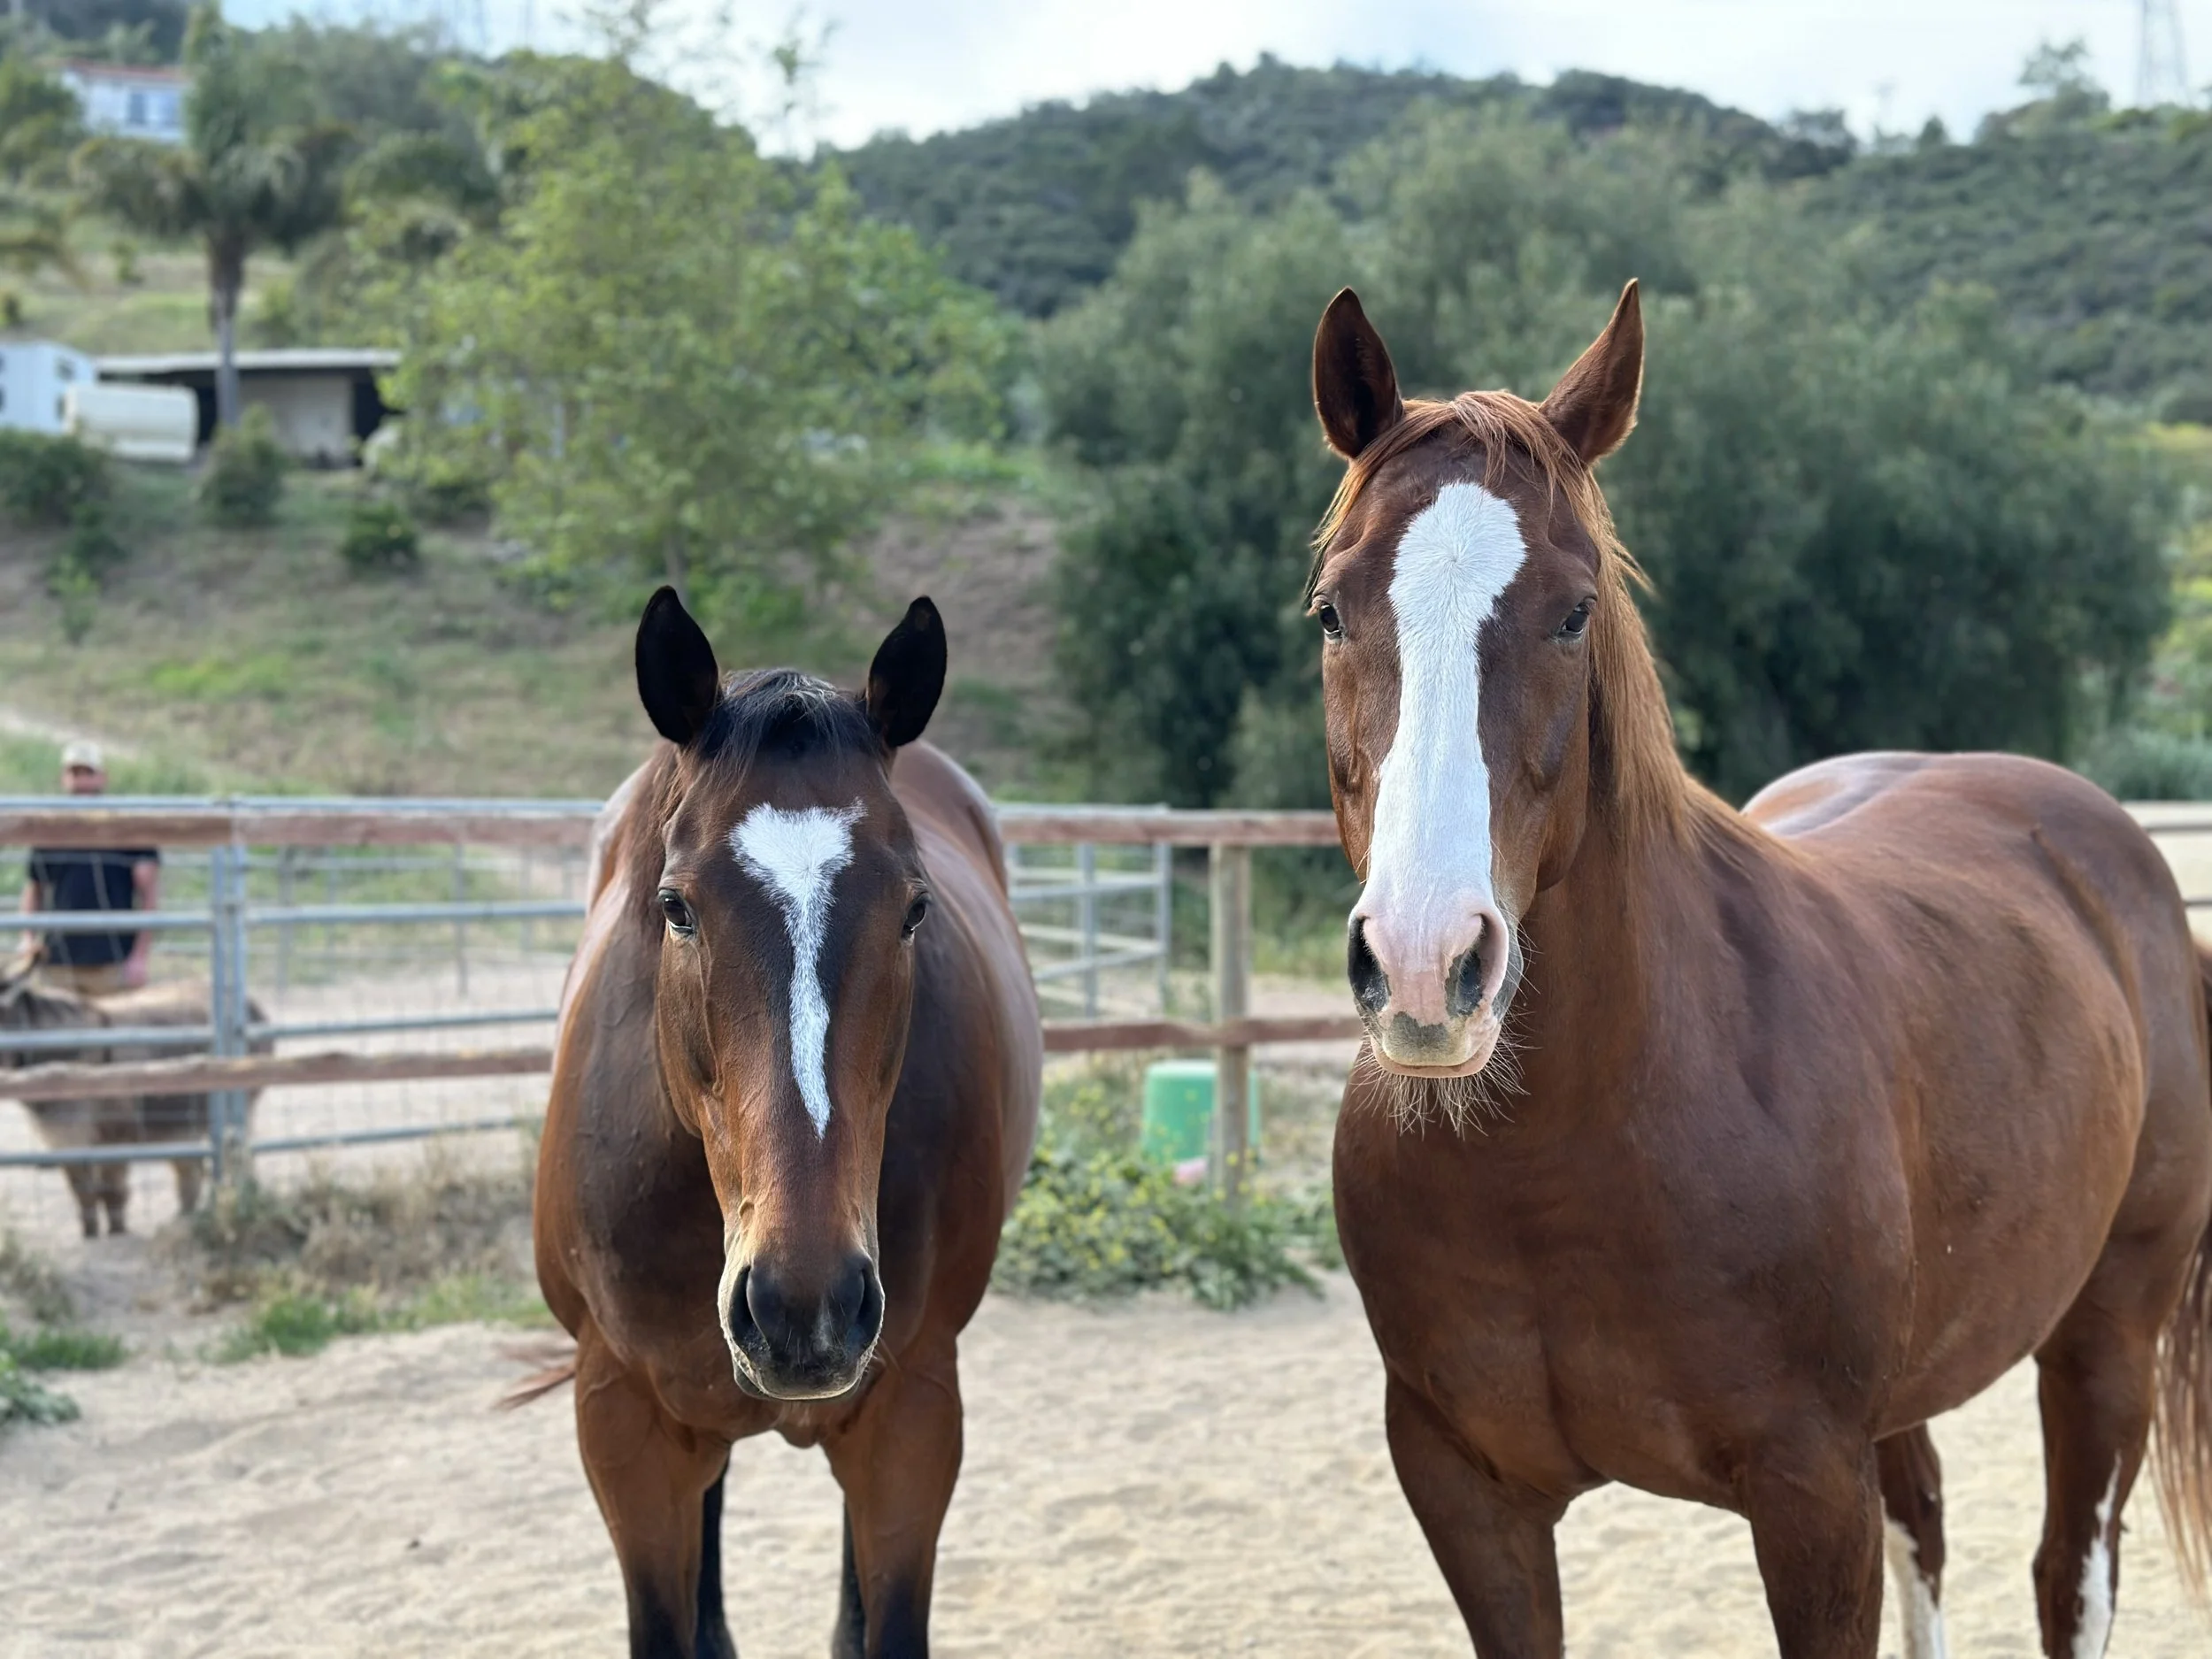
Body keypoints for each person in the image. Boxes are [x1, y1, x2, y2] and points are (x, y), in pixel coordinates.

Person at [19, 741, 159, 995]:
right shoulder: (49, 829)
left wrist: (139, 957)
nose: (82, 782)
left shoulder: (127, 827)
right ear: (64, 779)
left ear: (102, 778)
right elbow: (34, 887)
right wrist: (27, 937)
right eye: (75, 773)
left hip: (110, 959)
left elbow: (149, 893)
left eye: (88, 773)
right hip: (58, 959)